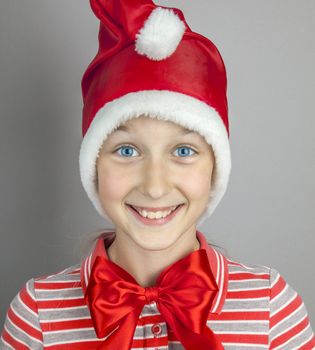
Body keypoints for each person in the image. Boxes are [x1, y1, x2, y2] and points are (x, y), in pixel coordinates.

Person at [1, 1, 314, 349]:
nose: (154, 186)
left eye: (183, 151)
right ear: (93, 164)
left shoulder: (271, 308)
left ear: (215, 167)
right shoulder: (37, 314)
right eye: (127, 151)